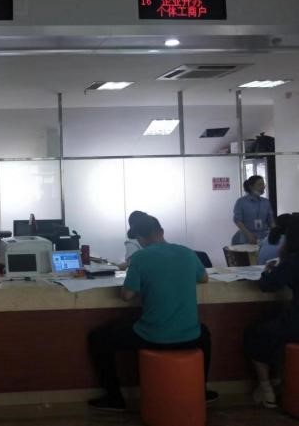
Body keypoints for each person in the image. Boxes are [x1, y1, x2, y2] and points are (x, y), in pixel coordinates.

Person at [88, 215, 217, 411]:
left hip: (154, 337)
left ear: (140, 238)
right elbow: (204, 278)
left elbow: (127, 296)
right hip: (190, 336)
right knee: (204, 333)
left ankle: (114, 398)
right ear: (161, 231)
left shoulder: (140, 258)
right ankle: (201, 391)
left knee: (98, 338)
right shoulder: (187, 253)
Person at [243, 216, 299, 408]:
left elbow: (267, 285)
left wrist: (268, 271)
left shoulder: (293, 260)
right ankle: (280, 381)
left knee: (254, 333)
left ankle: (266, 390)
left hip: (296, 324)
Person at [232, 175, 275, 245]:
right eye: (260, 184)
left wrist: (276, 234)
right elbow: (237, 220)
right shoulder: (241, 202)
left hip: (264, 238)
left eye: (263, 184)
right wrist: (249, 235)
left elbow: (271, 221)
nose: (263, 187)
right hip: (246, 238)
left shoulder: (266, 202)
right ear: (251, 187)